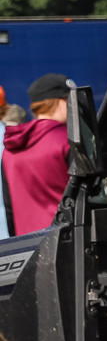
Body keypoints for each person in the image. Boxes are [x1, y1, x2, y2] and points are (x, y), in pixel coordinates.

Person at [2, 73, 78, 234]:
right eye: (69, 99)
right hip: (66, 239)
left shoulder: (11, 146)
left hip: (28, 242)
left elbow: (10, 208)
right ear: (58, 101)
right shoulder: (67, 140)